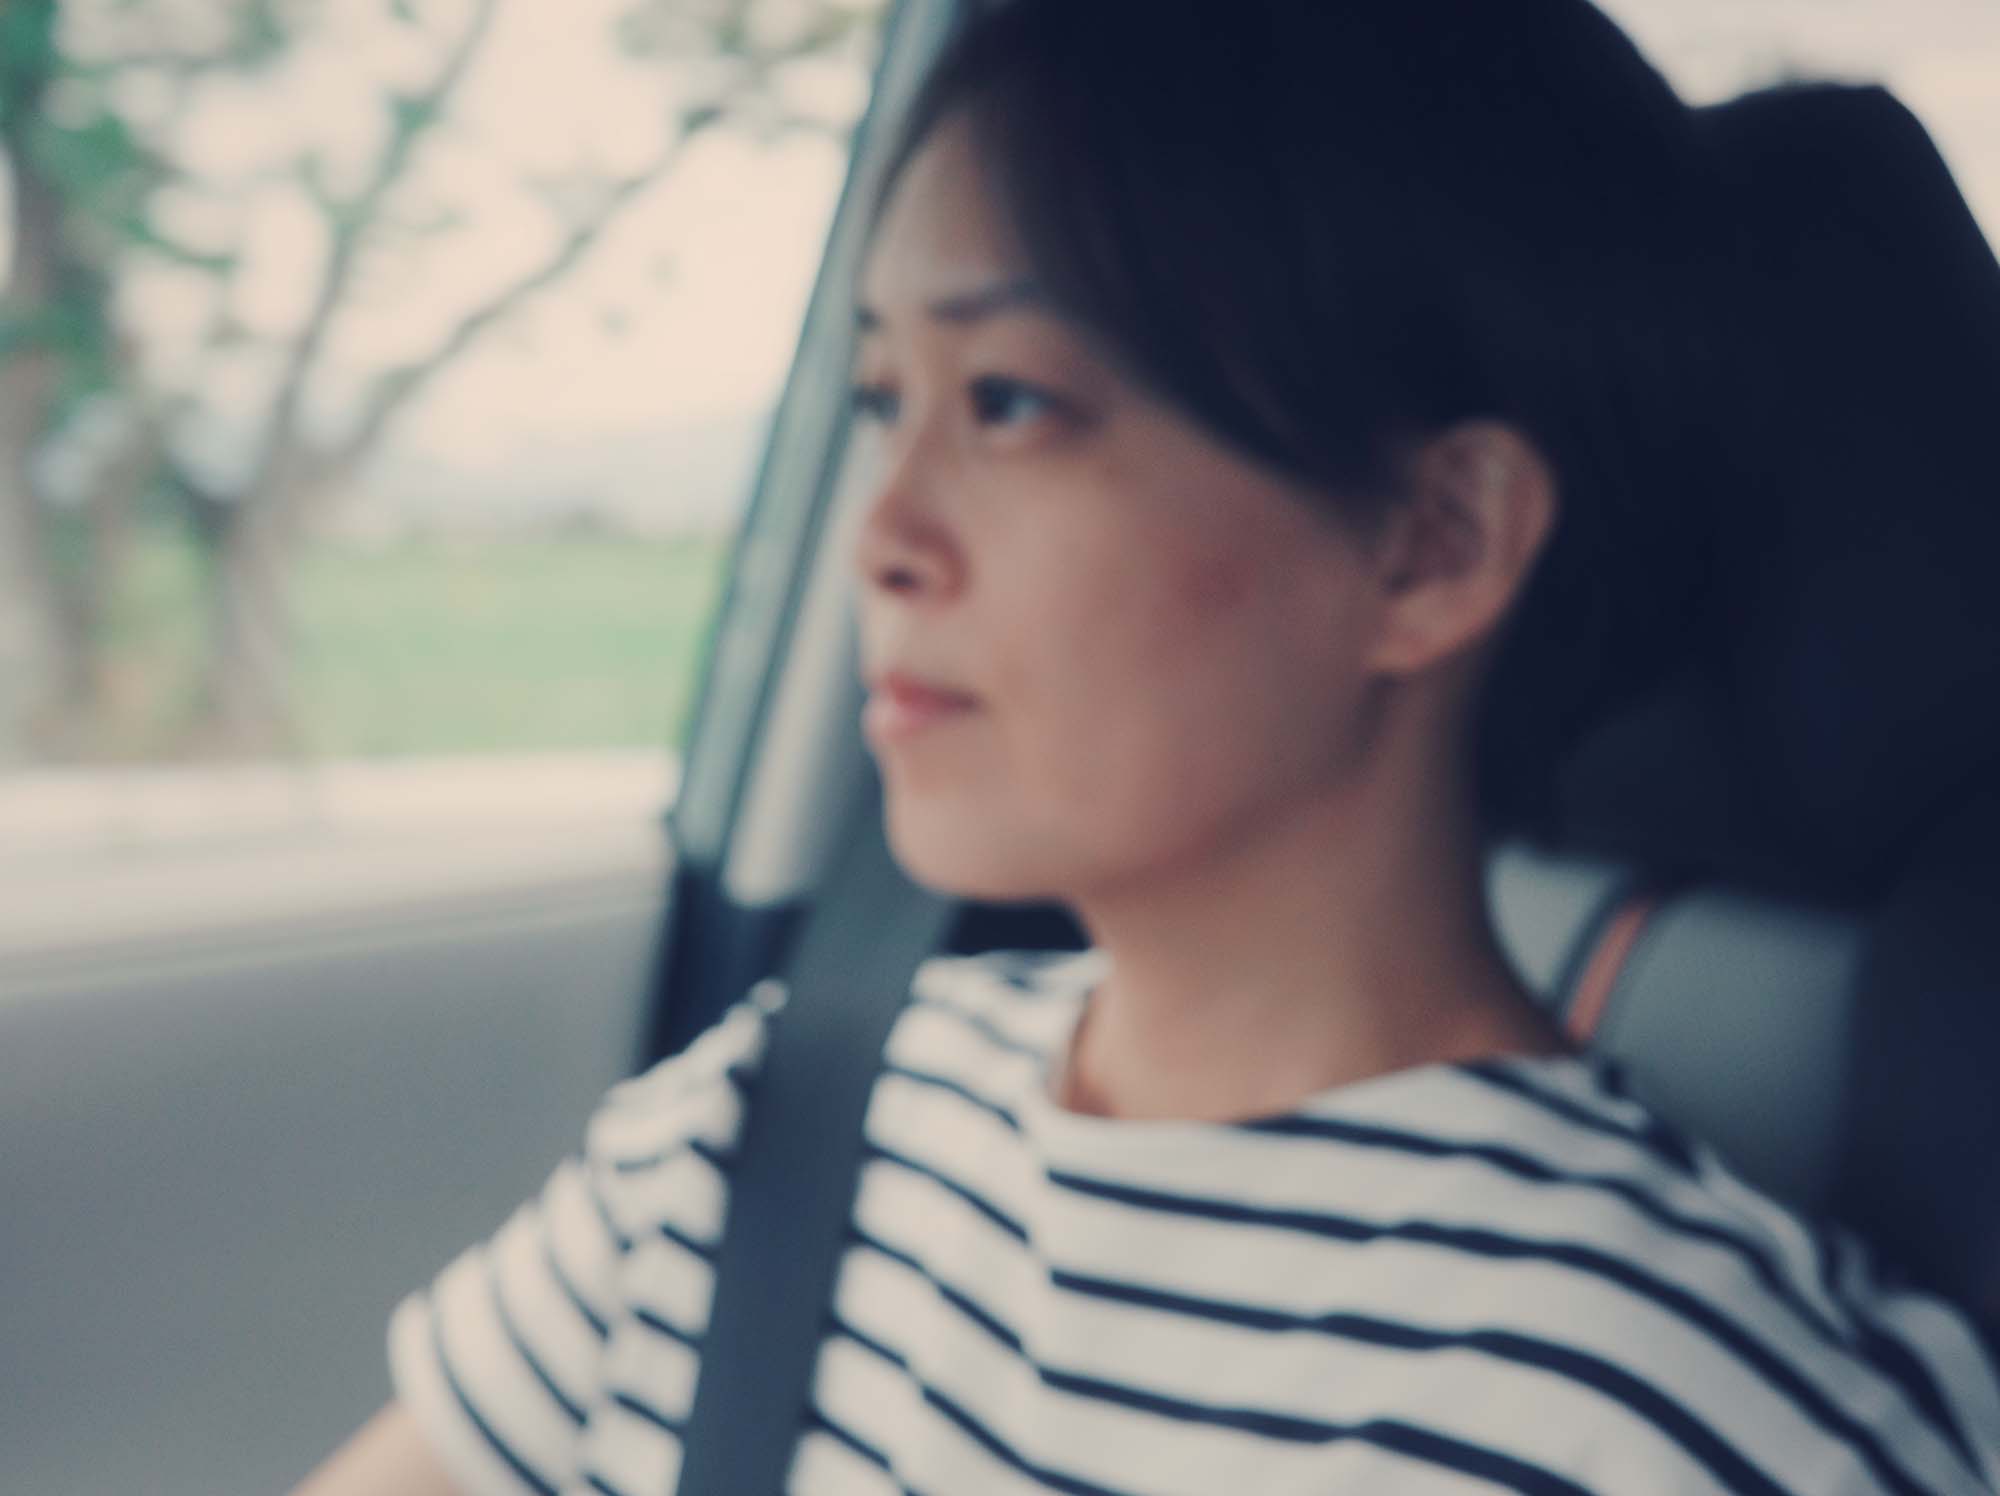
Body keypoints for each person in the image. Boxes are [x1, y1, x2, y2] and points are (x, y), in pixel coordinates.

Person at [295, 2, 2000, 1492]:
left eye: (1011, 402)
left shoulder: (1690, 1417)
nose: (880, 536)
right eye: (884, 399)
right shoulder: (766, 1133)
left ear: (1434, 542)